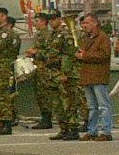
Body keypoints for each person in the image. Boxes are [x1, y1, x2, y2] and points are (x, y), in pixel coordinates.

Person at [76, 12, 113, 141]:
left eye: (86, 22)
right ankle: (92, 131)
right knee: (91, 106)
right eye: (83, 23)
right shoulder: (86, 38)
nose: (83, 25)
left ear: (95, 23)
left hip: (98, 75)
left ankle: (106, 131)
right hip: (87, 75)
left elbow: (104, 55)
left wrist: (85, 55)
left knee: (103, 105)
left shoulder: (103, 38)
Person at [46, 10, 80, 141]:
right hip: (52, 73)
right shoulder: (52, 35)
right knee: (56, 103)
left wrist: (65, 73)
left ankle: (72, 128)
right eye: (49, 19)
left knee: (68, 102)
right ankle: (63, 128)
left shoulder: (65, 35)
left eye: (53, 19)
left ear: (60, 19)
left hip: (62, 73)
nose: (51, 21)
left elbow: (70, 55)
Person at [25, 12, 55, 129]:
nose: (34, 23)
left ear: (43, 22)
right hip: (39, 67)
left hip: (45, 69)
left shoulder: (47, 35)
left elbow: (51, 53)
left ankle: (47, 118)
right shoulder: (39, 35)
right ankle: (44, 117)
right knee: (40, 94)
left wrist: (36, 52)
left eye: (37, 21)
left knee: (45, 94)